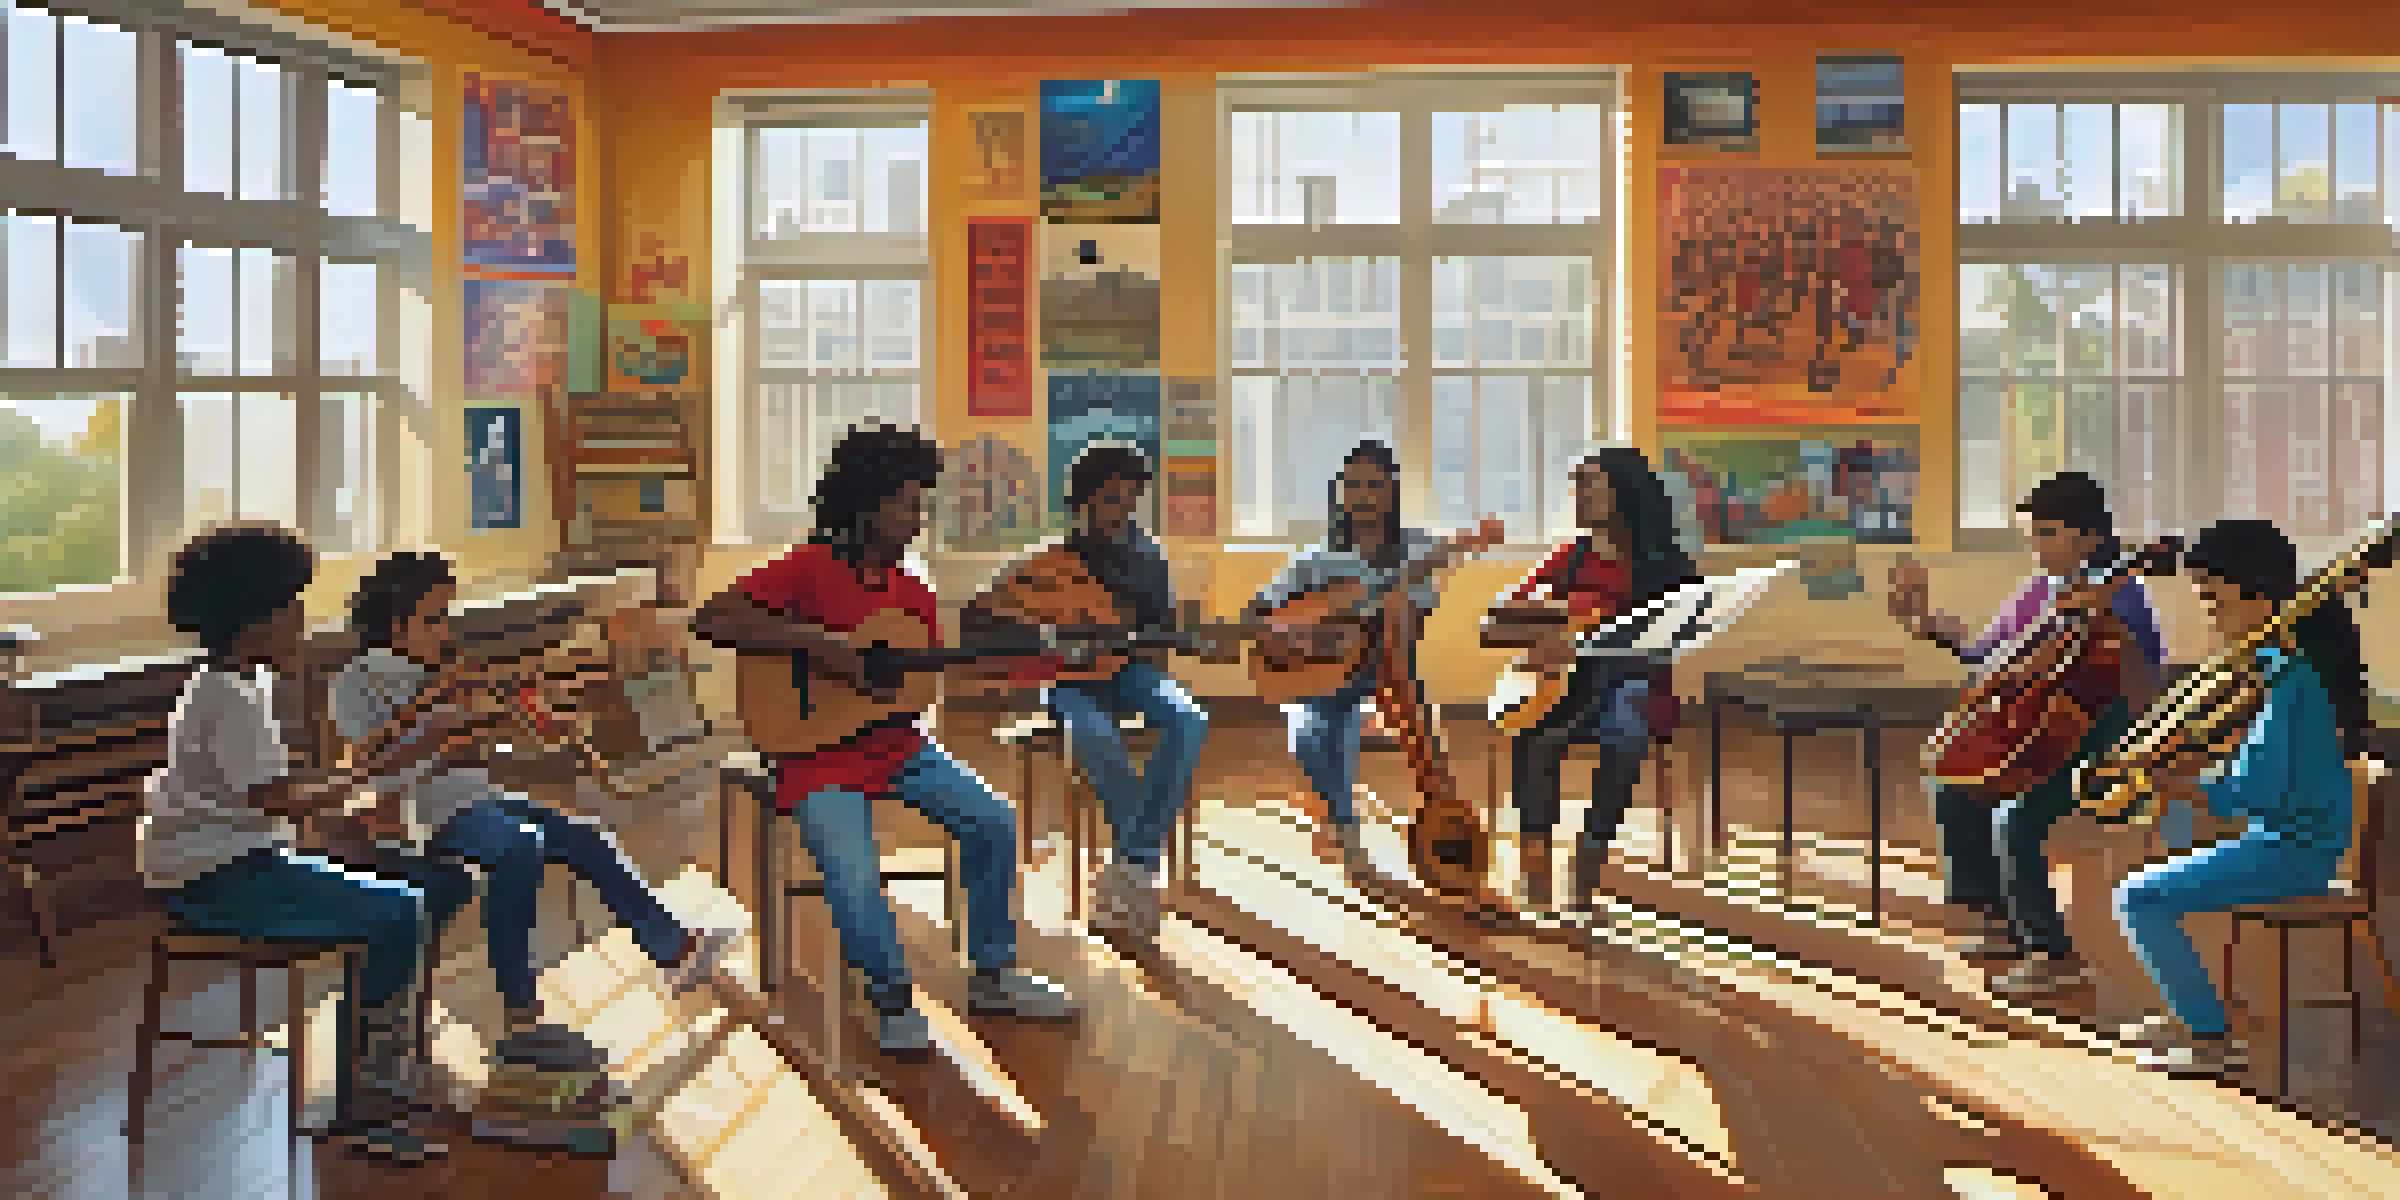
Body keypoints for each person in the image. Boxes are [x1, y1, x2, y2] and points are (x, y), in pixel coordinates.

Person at [691, 423, 1077, 1057]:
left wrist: (1025, 657)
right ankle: (891, 995)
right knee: (853, 864)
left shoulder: (911, 589)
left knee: (994, 822)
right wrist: (822, 645)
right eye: (905, 503)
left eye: (921, 503)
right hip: (812, 752)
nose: (916, 518)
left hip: (893, 741)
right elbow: (714, 618)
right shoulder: (809, 567)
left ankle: (993, 974)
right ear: (865, 506)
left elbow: (922, 676)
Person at [327, 551, 734, 1067]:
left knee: (585, 837)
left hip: (475, 798)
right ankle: (520, 1010)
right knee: (520, 846)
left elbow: (479, 749)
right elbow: (372, 768)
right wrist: (436, 710)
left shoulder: (443, 673)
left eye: (444, 616)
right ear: (394, 623)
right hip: (423, 812)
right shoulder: (357, 681)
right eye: (431, 619)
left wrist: (535, 728)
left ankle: (673, 949)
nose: (443, 630)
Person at [140, 522, 450, 1164]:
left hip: (238, 866)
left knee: (404, 896)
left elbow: (280, 790)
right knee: (398, 909)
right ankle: (364, 1098)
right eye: (294, 607)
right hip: (218, 883)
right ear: (257, 620)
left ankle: (378, 1073)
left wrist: (364, 773)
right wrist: (366, 775)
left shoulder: (231, 685)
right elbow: (279, 797)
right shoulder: (228, 697)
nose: (303, 620)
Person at [1888, 471, 2166, 999]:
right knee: (1952, 781)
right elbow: (1988, 654)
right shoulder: (2041, 589)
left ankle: (2052, 952)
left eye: (2047, 534)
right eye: (2032, 535)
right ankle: (1998, 920)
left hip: (2102, 741)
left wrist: (2109, 627)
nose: (2037, 548)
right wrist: (1925, 622)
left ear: (2088, 536)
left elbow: (2143, 685)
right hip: (2042, 728)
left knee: (2014, 821)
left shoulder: (2124, 594)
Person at [2109, 518, 2371, 1077]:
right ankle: (2190, 1011)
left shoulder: (2290, 677)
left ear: (2260, 595)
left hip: (2296, 853)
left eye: (2216, 603)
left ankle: (2208, 1036)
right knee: (2165, 848)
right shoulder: (2295, 666)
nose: (2210, 616)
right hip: (2296, 839)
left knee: (2137, 898)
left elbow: (2258, 789)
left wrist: (2174, 782)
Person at [962, 446, 1208, 943]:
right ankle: (1137, 868)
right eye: (1111, 499)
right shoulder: (1053, 563)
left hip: (1132, 673)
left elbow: (1162, 638)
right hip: (1068, 682)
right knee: (1094, 734)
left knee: (1190, 719)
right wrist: (1049, 641)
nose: (1121, 511)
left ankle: (1130, 867)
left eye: (1131, 500)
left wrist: (1134, 649)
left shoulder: (1149, 557)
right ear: (1084, 501)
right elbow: (980, 619)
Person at [1483, 448, 1698, 913]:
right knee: (1531, 732)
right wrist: (1543, 635)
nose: (1578, 494)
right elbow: (1492, 625)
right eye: (1575, 483)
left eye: (1589, 483)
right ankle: (1535, 868)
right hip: (1567, 687)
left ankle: (1588, 861)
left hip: (1633, 683)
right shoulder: (1569, 558)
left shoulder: (1666, 564)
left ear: (1623, 492)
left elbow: (1683, 635)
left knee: (1626, 732)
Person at [1247, 441, 1460, 875]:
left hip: (1388, 671)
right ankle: (1343, 826)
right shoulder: (1318, 557)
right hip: (1324, 678)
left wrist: (1379, 608)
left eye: (1374, 485)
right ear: (1341, 492)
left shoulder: (1417, 549)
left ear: (1391, 491)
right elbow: (1264, 606)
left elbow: (1411, 625)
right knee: (1312, 730)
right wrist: (1281, 631)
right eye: (1354, 485)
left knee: (1388, 718)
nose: (1363, 496)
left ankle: (1440, 822)